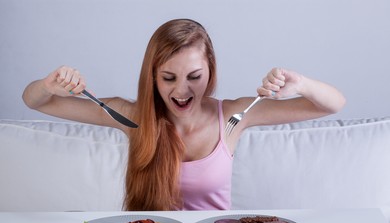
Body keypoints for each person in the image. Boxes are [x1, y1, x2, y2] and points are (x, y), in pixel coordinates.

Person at [22, 19, 346, 211]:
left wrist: (300, 83)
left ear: (211, 71)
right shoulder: (131, 116)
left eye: (194, 77)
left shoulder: (233, 116)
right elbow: (37, 101)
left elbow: (331, 104)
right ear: (152, 76)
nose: (181, 90)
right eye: (168, 77)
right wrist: (50, 84)